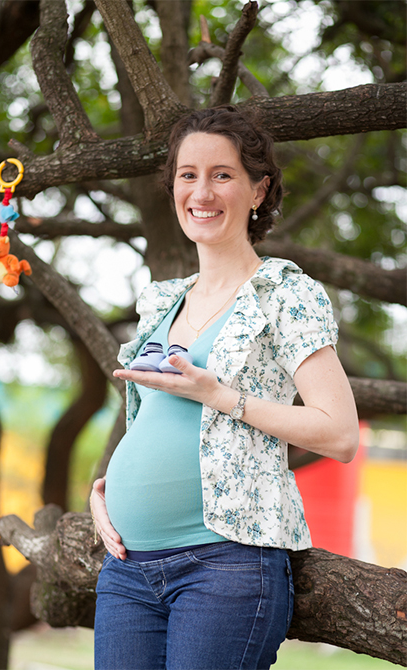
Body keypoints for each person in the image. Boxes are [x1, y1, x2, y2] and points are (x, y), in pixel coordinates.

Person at [89, 105, 359, 670]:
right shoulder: (162, 300)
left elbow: (338, 434)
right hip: (127, 567)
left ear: (258, 191)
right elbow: (153, 423)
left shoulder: (285, 294)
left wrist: (221, 396)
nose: (201, 191)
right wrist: (109, 488)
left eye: (222, 174)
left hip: (224, 566)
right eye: (188, 174)